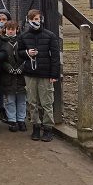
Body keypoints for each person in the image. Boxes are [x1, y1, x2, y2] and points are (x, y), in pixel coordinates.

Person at [18, 9, 60, 142]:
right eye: (33, 19)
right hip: (30, 74)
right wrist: (27, 53)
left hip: (45, 74)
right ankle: (35, 127)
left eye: (37, 19)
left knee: (47, 102)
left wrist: (54, 74)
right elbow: (19, 53)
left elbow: (55, 56)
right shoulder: (23, 36)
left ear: (41, 19)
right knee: (32, 102)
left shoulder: (50, 36)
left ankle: (48, 128)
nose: (35, 21)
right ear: (28, 20)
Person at [0, 21, 27, 132]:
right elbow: (0, 57)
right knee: (10, 100)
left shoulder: (22, 41)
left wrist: (22, 68)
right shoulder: (1, 42)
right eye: (8, 29)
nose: (11, 31)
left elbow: (26, 56)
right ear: (5, 30)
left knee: (22, 99)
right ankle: (12, 120)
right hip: (7, 76)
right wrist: (7, 67)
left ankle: (21, 120)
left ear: (17, 30)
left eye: (13, 29)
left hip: (21, 76)